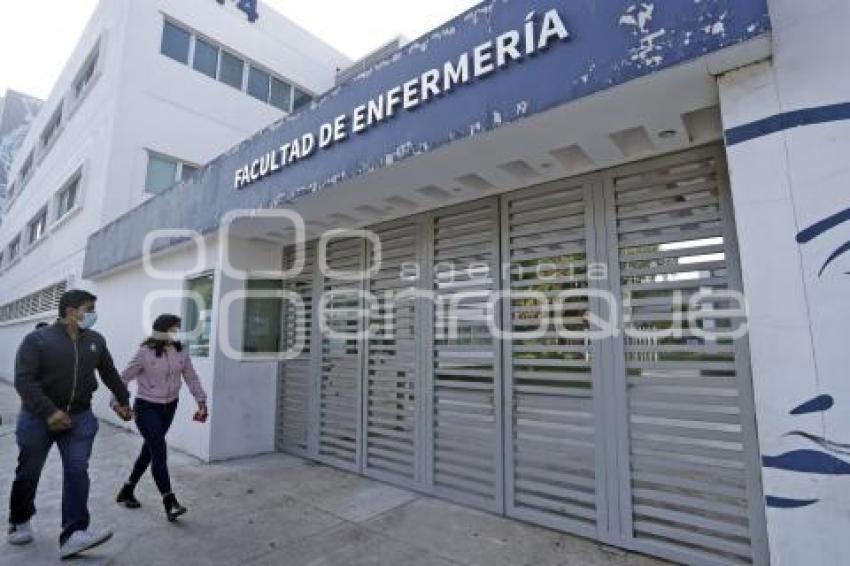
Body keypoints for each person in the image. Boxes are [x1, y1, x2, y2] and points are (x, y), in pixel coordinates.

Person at [7, 289, 133, 560]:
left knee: (77, 471)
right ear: (70, 311)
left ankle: (74, 533)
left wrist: (123, 399)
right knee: (29, 470)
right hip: (37, 419)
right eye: (89, 308)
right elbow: (23, 380)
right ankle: (20, 519)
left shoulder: (96, 341)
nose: (93, 314)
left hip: (79, 418)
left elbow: (109, 372)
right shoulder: (37, 340)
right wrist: (48, 411)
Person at [114, 314, 207, 521]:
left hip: (169, 407)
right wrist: (118, 403)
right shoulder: (144, 353)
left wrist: (201, 401)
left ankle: (127, 490)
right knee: (159, 449)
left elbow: (191, 377)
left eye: (178, 329)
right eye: (173, 329)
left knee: (149, 450)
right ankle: (169, 501)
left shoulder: (181, 351)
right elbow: (122, 378)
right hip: (146, 407)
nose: (176, 333)